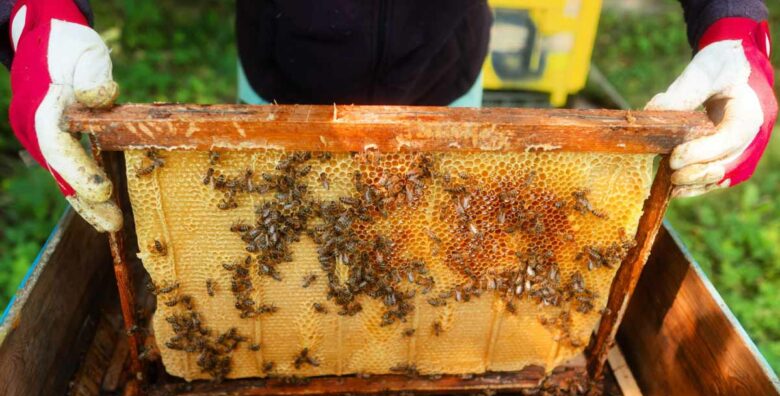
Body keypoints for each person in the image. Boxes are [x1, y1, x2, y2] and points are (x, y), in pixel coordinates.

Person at [1, 0, 776, 232]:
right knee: (270, 234)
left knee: (434, 238)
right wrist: (34, 12)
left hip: (444, 69)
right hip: (281, 71)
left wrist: (734, 23)